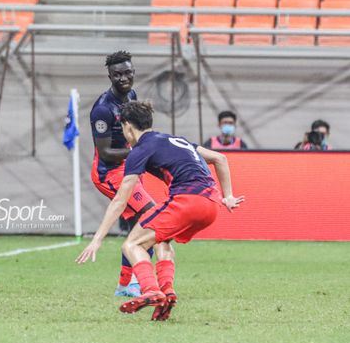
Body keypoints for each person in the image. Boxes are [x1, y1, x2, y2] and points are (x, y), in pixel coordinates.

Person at [77, 101, 244, 322]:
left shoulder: (140, 149)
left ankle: (150, 290)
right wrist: (228, 196)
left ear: (128, 127)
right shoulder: (176, 139)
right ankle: (167, 291)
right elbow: (219, 158)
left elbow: (120, 200)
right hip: (212, 205)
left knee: (131, 244)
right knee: (161, 240)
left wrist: (97, 239)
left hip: (188, 201)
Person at [90, 51, 171, 298]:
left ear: (133, 72)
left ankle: (126, 285)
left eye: (127, 72)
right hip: (109, 173)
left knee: (141, 224)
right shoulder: (102, 110)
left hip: (129, 166)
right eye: (117, 74)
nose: (123, 78)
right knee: (150, 216)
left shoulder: (131, 97)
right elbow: (104, 152)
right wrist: (139, 153)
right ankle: (136, 281)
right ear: (110, 76)